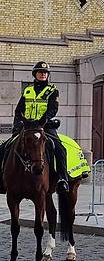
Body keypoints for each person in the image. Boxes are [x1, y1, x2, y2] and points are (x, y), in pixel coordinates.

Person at [0, 62, 69, 194]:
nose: (43, 74)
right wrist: (17, 125)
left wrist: (43, 121)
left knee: (60, 149)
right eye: (40, 72)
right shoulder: (28, 90)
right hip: (27, 127)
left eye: (45, 72)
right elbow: (19, 110)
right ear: (35, 74)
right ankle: (2, 177)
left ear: (48, 75)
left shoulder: (52, 90)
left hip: (44, 127)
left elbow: (52, 109)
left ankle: (62, 179)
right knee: (5, 146)